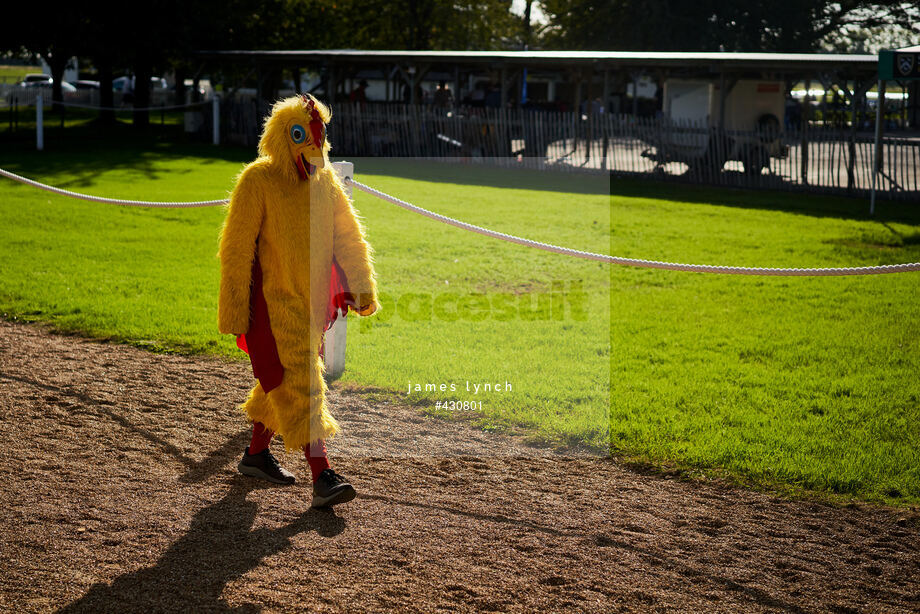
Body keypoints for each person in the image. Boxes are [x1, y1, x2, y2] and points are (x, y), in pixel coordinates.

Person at [218, 93, 380, 508]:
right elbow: (236, 248)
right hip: (275, 302)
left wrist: (361, 287)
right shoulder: (258, 181)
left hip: (313, 306)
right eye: (300, 135)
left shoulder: (325, 183)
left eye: (315, 136)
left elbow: (347, 235)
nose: (311, 146)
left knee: (283, 377)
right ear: (281, 137)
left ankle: (255, 455)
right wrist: (234, 309)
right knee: (304, 381)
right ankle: (322, 474)